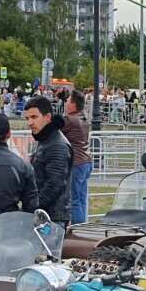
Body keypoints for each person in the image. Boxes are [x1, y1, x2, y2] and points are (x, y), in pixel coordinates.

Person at [22, 96, 72, 225]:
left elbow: (55, 183)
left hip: (53, 218)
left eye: (34, 117)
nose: (29, 123)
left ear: (48, 117)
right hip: (44, 215)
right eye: (27, 118)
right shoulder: (45, 139)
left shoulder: (56, 144)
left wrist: (33, 207)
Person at [62, 90, 92, 225]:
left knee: (74, 200)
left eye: (68, 100)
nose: (65, 102)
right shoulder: (83, 118)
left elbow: (52, 131)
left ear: (73, 105)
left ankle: (76, 232)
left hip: (77, 162)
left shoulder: (69, 119)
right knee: (81, 199)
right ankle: (82, 228)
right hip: (86, 161)